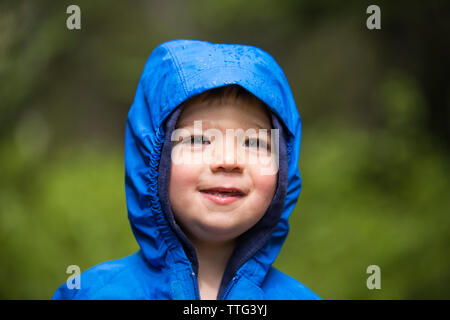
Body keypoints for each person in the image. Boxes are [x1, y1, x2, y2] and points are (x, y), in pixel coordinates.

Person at [52, 39, 320, 300]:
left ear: (284, 167)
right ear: (152, 159)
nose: (228, 160)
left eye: (254, 143)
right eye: (197, 140)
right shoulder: (92, 294)